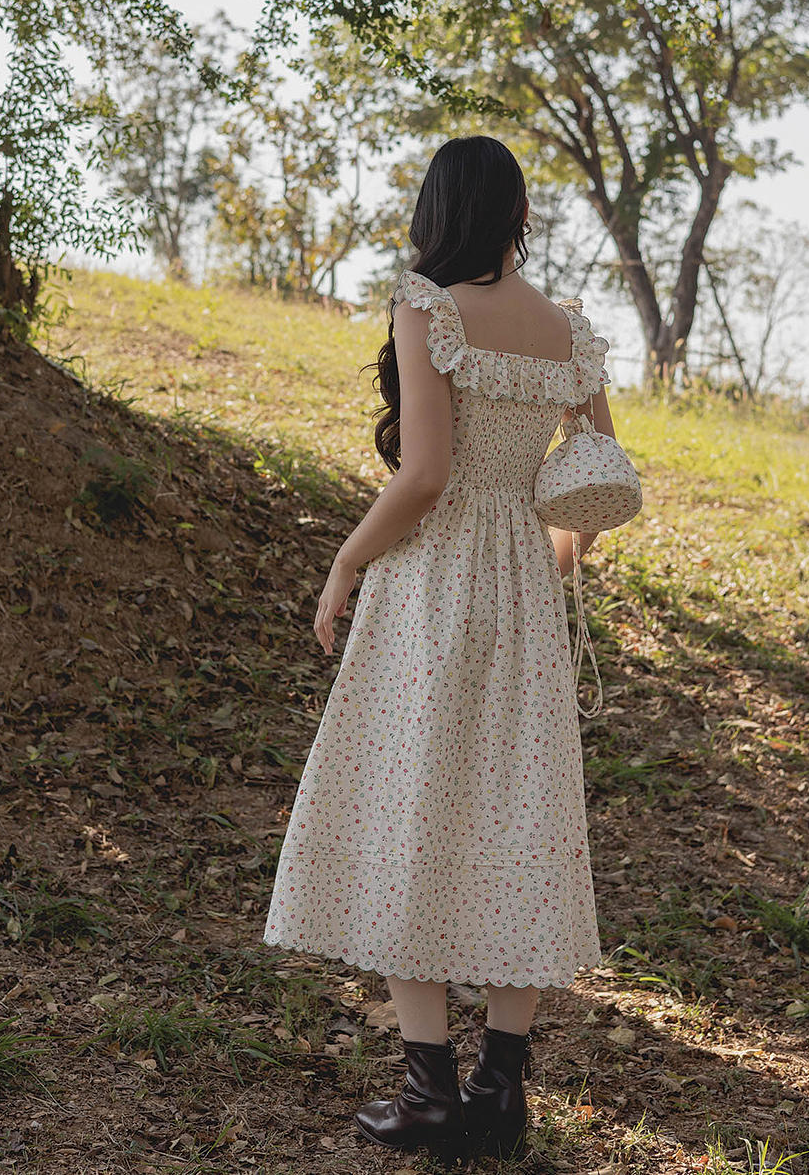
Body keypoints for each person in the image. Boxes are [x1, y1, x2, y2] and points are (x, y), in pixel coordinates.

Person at [262, 134, 618, 1159]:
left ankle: (428, 1095)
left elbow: (422, 477)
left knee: (408, 805)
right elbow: (590, 491)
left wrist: (344, 564)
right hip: (521, 588)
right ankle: (499, 1095)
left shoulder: (427, 309)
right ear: (516, 214)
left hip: (430, 583)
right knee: (516, 813)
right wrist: (539, 568)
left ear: (437, 212)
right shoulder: (570, 331)